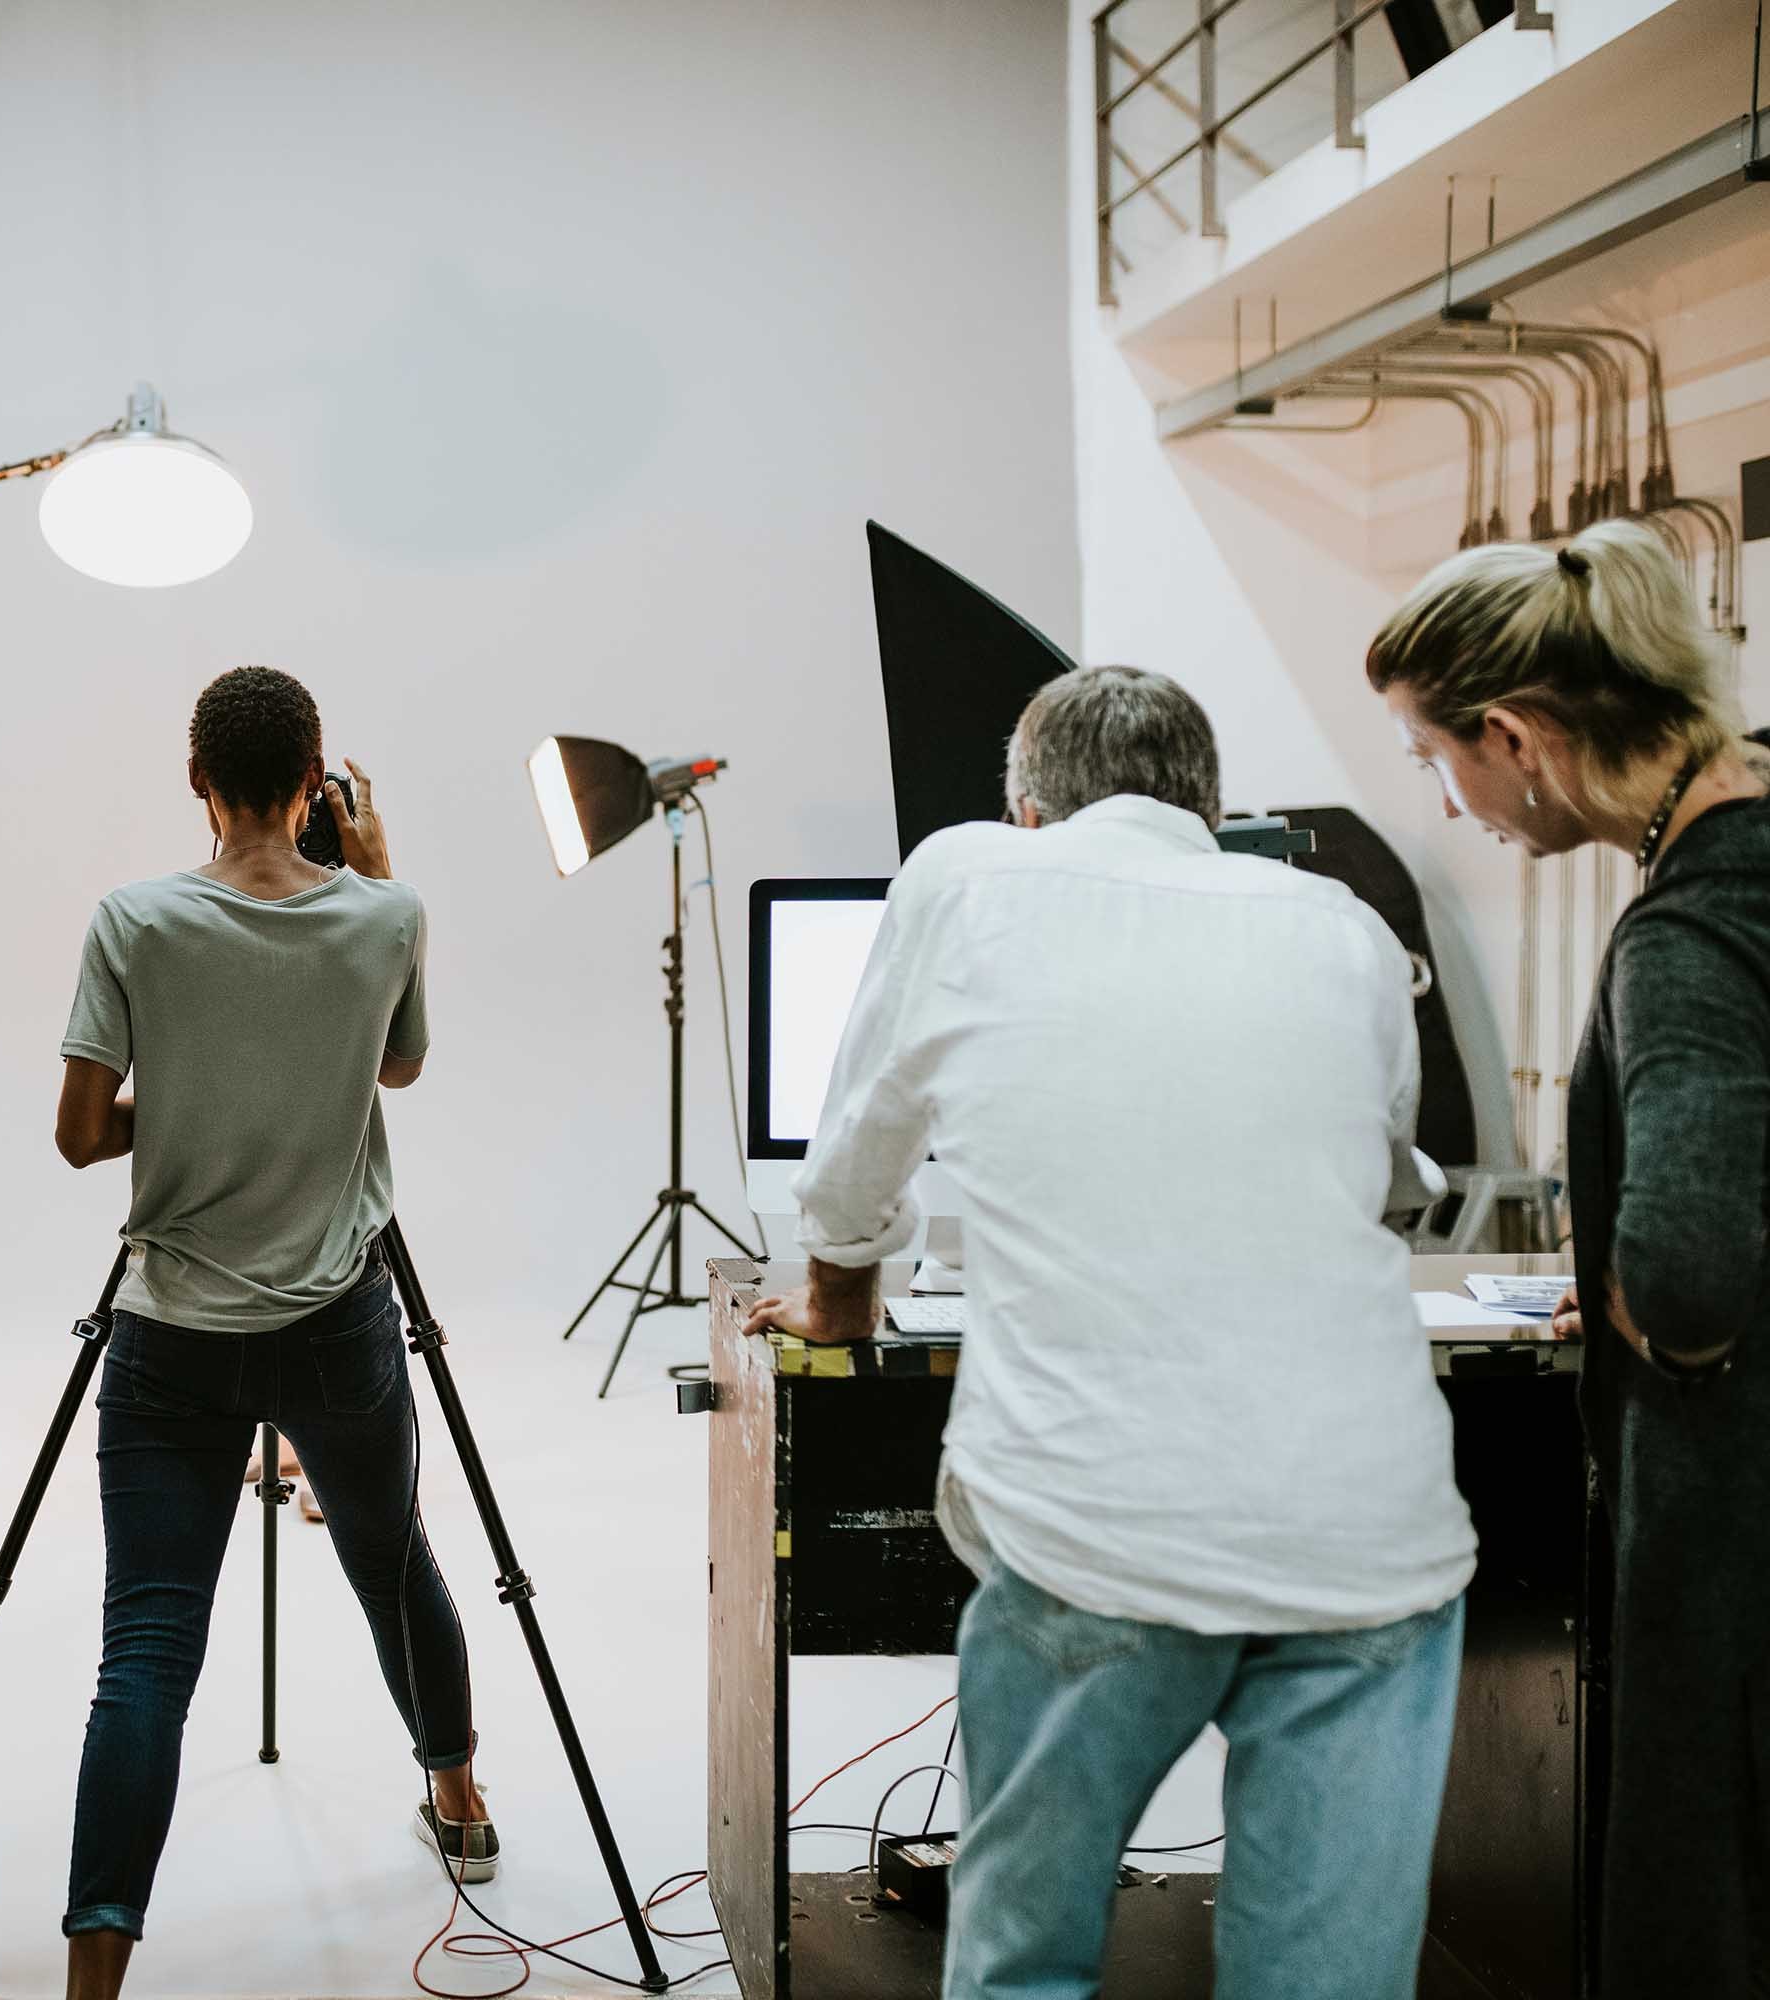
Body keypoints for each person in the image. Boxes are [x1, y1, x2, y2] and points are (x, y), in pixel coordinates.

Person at [744, 665, 1477, 2000]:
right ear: (1212, 808)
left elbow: (855, 1162)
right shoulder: (1342, 922)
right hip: (1368, 1535)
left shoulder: (968, 874)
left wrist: (837, 1307)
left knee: (1027, 1958)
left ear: (1029, 811)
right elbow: (1381, 1178)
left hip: (1098, 1528)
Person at [1367, 520, 1770, 1995]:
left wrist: (1635, 1308)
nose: (1447, 798)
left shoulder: (1691, 929)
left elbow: (1688, 1263)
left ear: (1519, 736)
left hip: (1732, 1533)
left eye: (1434, 757)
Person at [51, 665, 486, 1999]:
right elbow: (396, 1066)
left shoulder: (133, 921)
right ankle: (461, 1799)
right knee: (389, 1559)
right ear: (315, 784)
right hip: (333, 1326)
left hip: (170, 1333)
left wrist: (181, 1110)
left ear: (197, 781)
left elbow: (80, 1135)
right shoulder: (386, 916)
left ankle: (93, 1979)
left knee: (145, 1650)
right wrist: (372, 872)